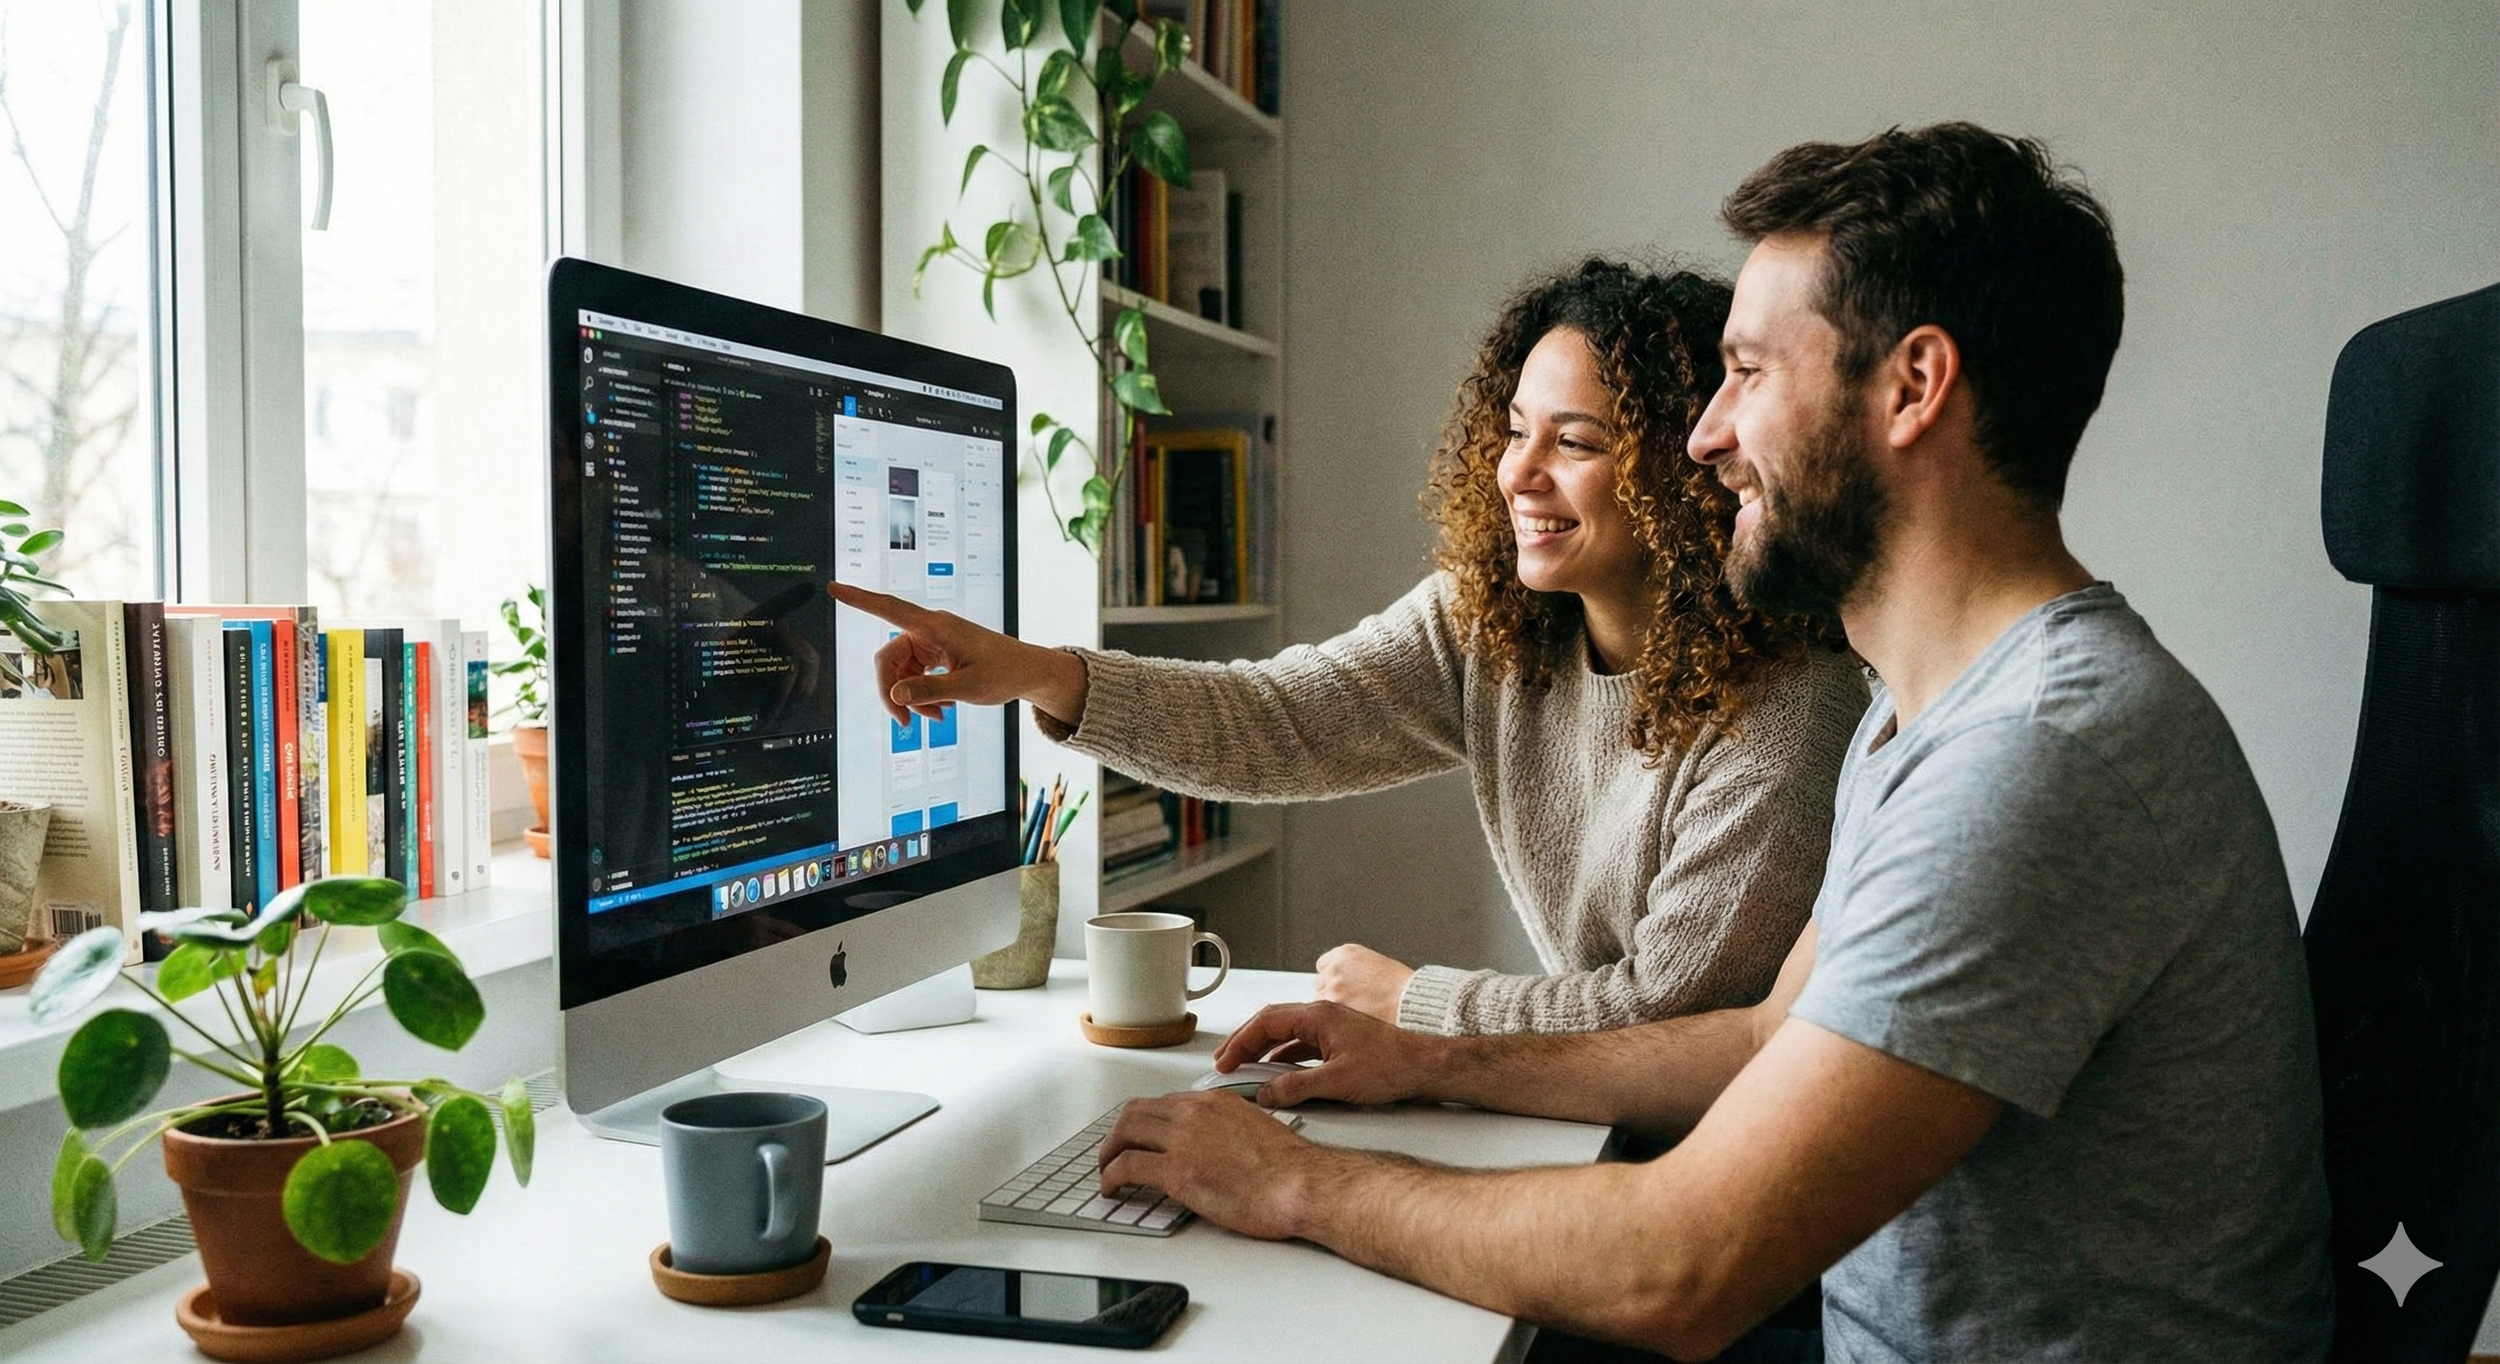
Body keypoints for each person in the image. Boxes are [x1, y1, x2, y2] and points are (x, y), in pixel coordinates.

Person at [1090, 123, 2333, 1362]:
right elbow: (1752, 1042)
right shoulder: (1922, 713)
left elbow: (1678, 1270)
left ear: (1913, 387)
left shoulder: (2035, 758)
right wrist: (1428, 1055)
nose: (1702, 435)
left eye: (1746, 373)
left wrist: (1293, 1184)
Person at [835, 259, 1866, 1036]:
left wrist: (1410, 1000)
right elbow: (1279, 721)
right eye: (1512, 430)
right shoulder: (1493, 621)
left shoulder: (1787, 704)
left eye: (1577, 442)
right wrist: (1037, 673)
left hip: (1691, 1177)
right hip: (1572, 1108)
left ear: (1690, 473)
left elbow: (1670, 1023)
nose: (1518, 473)